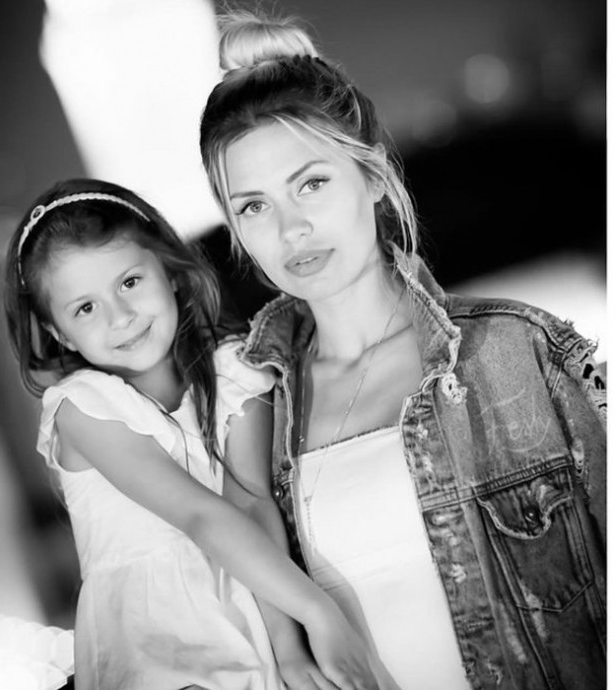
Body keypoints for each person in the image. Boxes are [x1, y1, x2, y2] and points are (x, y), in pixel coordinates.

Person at [198, 10, 607, 690]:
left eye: (311, 183)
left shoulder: (524, 353)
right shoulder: (254, 413)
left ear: (374, 177)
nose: (291, 229)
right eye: (254, 206)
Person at [3, 178, 397, 690]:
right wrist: (320, 613)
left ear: (168, 270)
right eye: (86, 308)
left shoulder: (235, 373)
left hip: (253, 623)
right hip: (155, 650)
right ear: (59, 332)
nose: (121, 317)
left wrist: (286, 645)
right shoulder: (81, 407)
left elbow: (251, 504)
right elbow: (200, 515)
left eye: (129, 282)